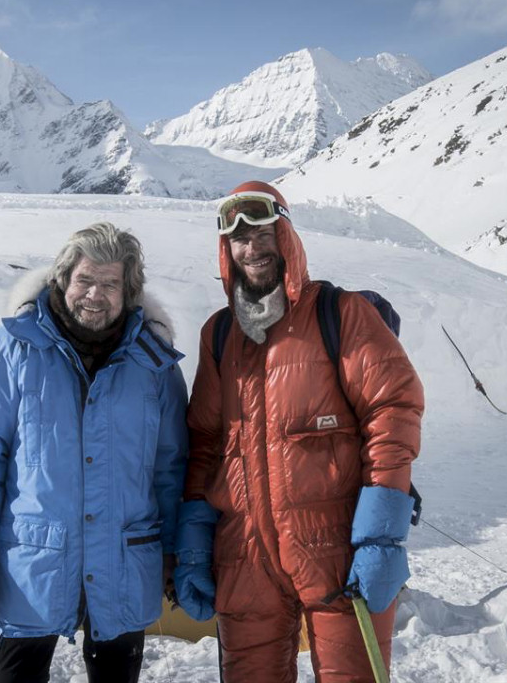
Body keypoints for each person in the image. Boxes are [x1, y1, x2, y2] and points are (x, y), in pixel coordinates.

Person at [174, 181, 424, 682]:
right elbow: (204, 441)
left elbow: (392, 408)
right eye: (238, 240)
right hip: (244, 554)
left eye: (262, 233)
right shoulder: (219, 334)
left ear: (285, 236)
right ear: (227, 252)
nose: (252, 248)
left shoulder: (341, 312)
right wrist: (196, 538)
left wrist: (379, 537)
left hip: (337, 546)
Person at [0, 222, 188, 683]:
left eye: (110, 284)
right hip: (30, 564)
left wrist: (173, 552)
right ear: (62, 279)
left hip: (123, 559)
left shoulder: (153, 364)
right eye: (85, 280)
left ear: (128, 291)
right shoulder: (7, 350)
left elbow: (171, 467)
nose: (95, 295)